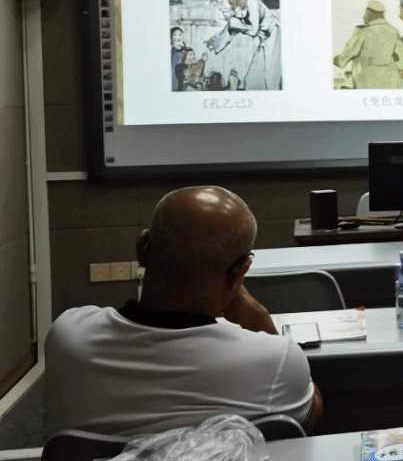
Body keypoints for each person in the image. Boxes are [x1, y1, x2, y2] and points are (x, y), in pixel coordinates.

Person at [43, 186, 322, 438]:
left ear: (141, 248)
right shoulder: (275, 360)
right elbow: (307, 420)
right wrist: (261, 321)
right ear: (241, 272)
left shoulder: (68, 336)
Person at [205, 0, 282, 91]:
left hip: (272, 34)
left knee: (271, 74)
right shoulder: (240, 8)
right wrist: (216, 44)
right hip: (262, 38)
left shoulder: (251, 0)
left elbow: (253, 30)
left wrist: (239, 25)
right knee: (254, 75)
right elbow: (230, 32)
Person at [333, 0, 403, 90]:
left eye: (365, 14)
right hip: (391, 84)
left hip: (366, 84)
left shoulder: (363, 31)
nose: (363, 17)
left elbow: (346, 56)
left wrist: (337, 60)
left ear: (371, 15)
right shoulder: (393, 31)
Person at [170, 26, 187, 91]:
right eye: (175, 35)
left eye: (180, 35)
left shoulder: (184, 48)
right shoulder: (171, 50)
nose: (178, 37)